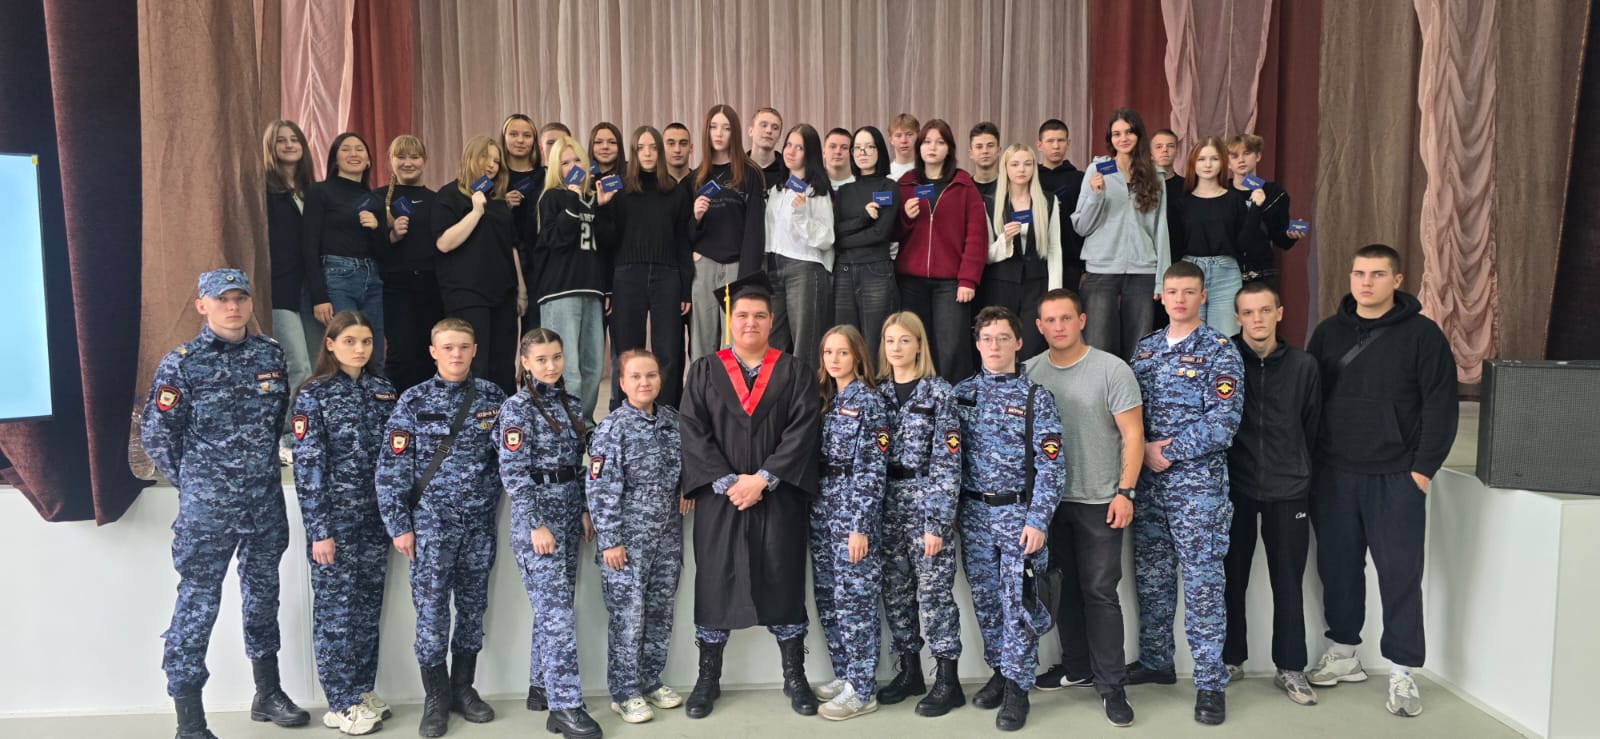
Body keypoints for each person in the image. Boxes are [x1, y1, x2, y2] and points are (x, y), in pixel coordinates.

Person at [141, 268, 310, 739]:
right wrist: (196, 483)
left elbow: (276, 422)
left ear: (250, 303)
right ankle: (190, 723)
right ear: (203, 305)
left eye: (240, 298)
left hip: (264, 502)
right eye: (222, 299)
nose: (232, 307)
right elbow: (157, 436)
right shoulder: (181, 364)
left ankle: (267, 693)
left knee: (264, 598)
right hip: (208, 512)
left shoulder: (269, 355)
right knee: (198, 605)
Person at [1304, 244, 1457, 718]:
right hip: (1335, 473)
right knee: (1338, 568)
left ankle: (1402, 670)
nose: (1365, 282)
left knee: (1400, 574)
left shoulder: (1423, 336)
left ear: (1397, 280)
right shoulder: (1327, 333)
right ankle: (1344, 651)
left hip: (1396, 476)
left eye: (1376, 274)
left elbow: (1441, 405)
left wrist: (1422, 469)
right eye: (1358, 273)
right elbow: (1311, 401)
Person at [678, 273, 822, 719]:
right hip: (721, 500)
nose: (750, 323)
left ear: (771, 320)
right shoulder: (705, 369)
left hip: (777, 497)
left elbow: (804, 429)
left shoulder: (794, 370)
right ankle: (707, 678)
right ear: (730, 319)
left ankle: (795, 676)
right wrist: (727, 481)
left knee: (783, 578)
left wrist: (763, 479)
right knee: (715, 581)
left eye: (759, 315)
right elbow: (692, 430)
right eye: (742, 315)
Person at [375, 318, 506, 737]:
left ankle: (463, 689)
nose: (456, 354)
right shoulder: (413, 401)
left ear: (474, 350)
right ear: (433, 352)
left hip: (478, 525)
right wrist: (399, 525)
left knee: (472, 608)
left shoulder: (493, 398)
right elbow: (392, 468)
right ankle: (436, 697)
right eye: (448, 347)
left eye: (463, 346)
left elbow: (507, 459)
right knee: (431, 612)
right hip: (431, 526)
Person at [1127, 261, 1243, 726]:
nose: (1179, 299)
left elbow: (1223, 422)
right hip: (1149, 486)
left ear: (1203, 297)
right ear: (1162, 296)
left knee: (1202, 583)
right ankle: (1157, 660)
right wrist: (1141, 452)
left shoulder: (1219, 350)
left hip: (1197, 489)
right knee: (1152, 576)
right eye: (1172, 291)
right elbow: (1130, 412)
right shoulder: (1146, 349)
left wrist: (1167, 452)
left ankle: (1210, 682)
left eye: (1189, 292)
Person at [1024, 288, 1140, 727]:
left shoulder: (1112, 370)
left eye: (1066, 318)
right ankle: (1076, 667)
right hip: (1050, 505)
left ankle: (1112, 686)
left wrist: (1125, 492)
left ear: (1082, 320)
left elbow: (1133, 435)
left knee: (1100, 593)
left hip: (1100, 500)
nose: (1059, 327)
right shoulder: (1028, 372)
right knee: (1062, 589)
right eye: (1050, 320)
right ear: (1039, 326)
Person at [955, 305, 1065, 732]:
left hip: (1019, 516)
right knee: (986, 601)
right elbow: (949, 461)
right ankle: (1000, 671)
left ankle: (1018, 688)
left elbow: (1052, 467)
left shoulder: (1037, 397)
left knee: (1019, 603)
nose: (994, 346)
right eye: (987, 338)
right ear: (977, 344)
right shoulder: (962, 394)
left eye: (1003, 338)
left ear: (1019, 343)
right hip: (974, 516)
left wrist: (1038, 520)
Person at [290, 311, 397, 736]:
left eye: (366, 341)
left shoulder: (383, 391)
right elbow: (308, 468)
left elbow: (394, 459)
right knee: (336, 612)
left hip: (374, 520)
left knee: (367, 609)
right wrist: (320, 531)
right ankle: (339, 703)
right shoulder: (313, 395)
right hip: (334, 522)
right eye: (349, 340)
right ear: (330, 345)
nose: (359, 348)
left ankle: (361, 690)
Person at [496, 328, 601, 739]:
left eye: (556, 357)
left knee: (555, 608)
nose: (551, 365)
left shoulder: (571, 403)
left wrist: (585, 508)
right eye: (541, 359)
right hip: (538, 521)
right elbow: (513, 473)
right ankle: (566, 706)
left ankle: (542, 686)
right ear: (525, 363)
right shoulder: (517, 408)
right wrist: (534, 523)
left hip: (568, 512)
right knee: (557, 614)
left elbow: (579, 463)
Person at [1223, 281, 1322, 706]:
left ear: (1279, 313)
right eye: (1248, 312)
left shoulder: (1304, 366)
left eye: (1265, 310)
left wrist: (1298, 469)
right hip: (1235, 488)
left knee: (1288, 582)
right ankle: (1231, 659)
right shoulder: (1224, 361)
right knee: (1231, 578)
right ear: (1237, 317)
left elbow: (1312, 425)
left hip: (1288, 489)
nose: (1257, 319)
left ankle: (1291, 667)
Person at [585, 349, 688, 725]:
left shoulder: (672, 421)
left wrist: (687, 486)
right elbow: (599, 489)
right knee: (628, 618)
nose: (645, 383)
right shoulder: (612, 429)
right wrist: (610, 540)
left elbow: (687, 463)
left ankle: (650, 681)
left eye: (651, 375)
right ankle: (625, 693)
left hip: (666, 536)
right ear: (622, 383)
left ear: (660, 379)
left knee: (660, 612)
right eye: (636, 377)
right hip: (626, 542)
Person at [873, 311, 965, 717]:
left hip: (926, 502)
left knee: (934, 594)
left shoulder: (939, 393)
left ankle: (948, 680)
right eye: (890, 340)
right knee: (895, 592)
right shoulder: (876, 393)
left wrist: (938, 523)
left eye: (905, 340)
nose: (896, 348)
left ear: (919, 345)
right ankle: (909, 671)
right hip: (887, 503)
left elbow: (948, 462)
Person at [809, 325, 889, 721]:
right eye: (828, 352)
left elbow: (872, 470)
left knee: (855, 599)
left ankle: (862, 688)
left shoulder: (869, 401)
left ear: (857, 356)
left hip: (853, 514)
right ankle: (845, 674)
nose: (834, 360)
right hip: (823, 511)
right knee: (830, 598)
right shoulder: (826, 400)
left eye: (842, 352)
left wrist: (860, 526)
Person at [603, 126, 692, 409]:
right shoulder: (620, 189)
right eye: (641, 148)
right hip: (626, 275)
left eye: (653, 147)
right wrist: (607, 288)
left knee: (669, 350)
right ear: (633, 152)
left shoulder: (675, 191)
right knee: (627, 350)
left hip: (668, 276)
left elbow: (683, 242)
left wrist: (685, 289)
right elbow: (607, 241)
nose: (648, 153)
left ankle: (667, 413)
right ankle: (626, 414)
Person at [1073, 108, 1172, 360]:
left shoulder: (1155, 175)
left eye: (1129, 132)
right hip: (1101, 269)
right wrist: (1096, 196)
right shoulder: (1097, 170)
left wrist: (1161, 279)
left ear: (1139, 135)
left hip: (1142, 271)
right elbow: (1081, 226)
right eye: (1116, 134)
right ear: (1110, 139)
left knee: (1139, 350)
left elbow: (1160, 229)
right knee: (1097, 348)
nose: (1123, 138)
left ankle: (1134, 389)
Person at [896, 119, 989, 384]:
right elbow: (892, 234)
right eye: (927, 142)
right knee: (914, 344)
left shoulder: (964, 185)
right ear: (919, 147)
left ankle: (954, 401)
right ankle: (917, 399)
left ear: (949, 148)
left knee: (952, 347)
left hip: (951, 283)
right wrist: (905, 218)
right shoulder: (905, 184)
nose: (932, 147)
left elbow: (976, 236)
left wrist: (968, 279)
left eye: (939, 142)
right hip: (910, 282)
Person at [533, 135, 616, 428]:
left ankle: (585, 423)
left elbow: (604, 246)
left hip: (592, 290)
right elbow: (555, 239)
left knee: (593, 365)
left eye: (577, 160)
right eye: (565, 162)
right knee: (566, 366)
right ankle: (565, 425)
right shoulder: (552, 197)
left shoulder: (593, 198)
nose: (572, 167)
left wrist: (600, 208)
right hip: (560, 291)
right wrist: (572, 200)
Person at [433, 136, 526, 393]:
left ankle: (503, 413)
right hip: (467, 293)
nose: (492, 165)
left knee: (503, 364)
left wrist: (521, 290)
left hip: (503, 292)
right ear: (471, 158)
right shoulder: (449, 196)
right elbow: (444, 243)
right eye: (486, 157)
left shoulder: (498, 201)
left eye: (496, 161)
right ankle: (473, 413)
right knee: (477, 362)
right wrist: (475, 212)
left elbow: (511, 247)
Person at [686, 104, 767, 362]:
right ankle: (701, 386)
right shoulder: (696, 177)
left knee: (734, 341)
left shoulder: (750, 173)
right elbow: (683, 233)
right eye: (713, 127)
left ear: (735, 132)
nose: (719, 133)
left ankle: (731, 388)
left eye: (726, 127)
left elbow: (755, 230)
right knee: (702, 341)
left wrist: (747, 277)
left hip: (736, 267)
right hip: (704, 265)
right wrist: (696, 218)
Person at [262, 119, 322, 463]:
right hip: (280, 289)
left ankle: (309, 431)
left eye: (294, 139)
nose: (288, 145)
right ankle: (289, 435)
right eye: (281, 140)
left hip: (313, 292)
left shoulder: (313, 192)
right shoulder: (264, 191)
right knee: (296, 364)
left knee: (316, 367)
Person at [303, 132, 386, 367]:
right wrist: (319, 296)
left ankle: (375, 392)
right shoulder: (320, 191)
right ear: (335, 159)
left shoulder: (373, 198)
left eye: (359, 149)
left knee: (374, 353)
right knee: (346, 350)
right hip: (337, 277)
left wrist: (377, 228)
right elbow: (309, 245)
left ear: (368, 160)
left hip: (372, 279)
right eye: (346, 149)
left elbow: (383, 250)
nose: (353, 154)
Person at [1171, 136, 1265, 338]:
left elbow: (1244, 243)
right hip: (1190, 272)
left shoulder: (1234, 200)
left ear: (1222, 162)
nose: (1207, 165)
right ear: (1193, 163)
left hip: (1226, 273)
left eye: (1214, 159)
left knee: (1224, 339)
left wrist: (1256, 209)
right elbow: (1175, 246)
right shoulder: (1181, 202)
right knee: (1190, 337)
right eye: (1202, 159)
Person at [980, 144, 1063, 360]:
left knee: (1032, 348)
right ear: (1005, 168)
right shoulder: (990, 202)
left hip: (1037, 286)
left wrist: (1054, 293)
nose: (1021, 169)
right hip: (1000, 285)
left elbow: (1054, 249)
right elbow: (986, 255)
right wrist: (1004, 241)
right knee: (999, 345)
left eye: (1027, 164)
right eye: (1015, 164)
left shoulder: (1048, 201)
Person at [763, 123, 835, 366]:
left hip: (804, 268)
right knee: (773, 343)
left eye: (799, 147)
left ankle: (807, 391)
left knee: (805, 343)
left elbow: (826, 238)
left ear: (809, 153)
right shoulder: (777, 190)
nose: (790, 151)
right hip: (774, 268)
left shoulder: (817, 191)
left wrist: (802, 215)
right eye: (788, 145)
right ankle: (778, 390)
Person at [378, 134, 445, 392]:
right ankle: (396, 407)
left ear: (424, 160)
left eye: (414, 157)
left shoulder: (437, 199)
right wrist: (391, 237)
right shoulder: (378, 198)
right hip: (395, 287)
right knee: (401, 352)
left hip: (432, 286)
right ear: (390, 161)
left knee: (430, 351)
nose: (408, 163)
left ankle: (428, 406)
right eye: (401, 157)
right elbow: (369, 247)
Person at [831, 126, 900, 364]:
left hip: (875, 270)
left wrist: (844, 239)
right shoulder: (844, 190)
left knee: (874, 340)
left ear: (879, 150)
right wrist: (863, 218)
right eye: (857, 148)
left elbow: (880, 233)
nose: (863, 152)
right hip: (844, 270)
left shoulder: (888, 187)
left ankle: (874, 386)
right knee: (844, 339)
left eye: (869, 147)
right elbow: (835, 232)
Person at [1227, 133, 1302, 287]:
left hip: (1263, 274)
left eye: (1247, 153)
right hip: (1226, 276)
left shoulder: (1275, 193)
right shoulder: (1221, 192)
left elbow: (1280, 238)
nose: (1241, 160)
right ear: (1228, 163)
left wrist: (1290, 234)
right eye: (1234, 156)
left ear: (1258, 156)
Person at [502, 114, 546, 333]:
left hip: (539, 261)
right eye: (514, 134)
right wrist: (502, 205)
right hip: (503, 260)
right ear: (504, 138)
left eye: (526, 135)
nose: (520, 140)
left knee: (536, 329)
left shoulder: (545, 175)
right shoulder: (494, 175)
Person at [1034, 119, 1079, 197]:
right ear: (1039, 145)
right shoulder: (1030, 178)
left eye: (1061, 140)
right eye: (1050, 141)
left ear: (1068, 144)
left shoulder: (1080, 178)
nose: (1056, 146)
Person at [747, 107, 787, 188]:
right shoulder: (736, 169)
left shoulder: (788, 170)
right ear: (751, 131)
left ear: (779, 137)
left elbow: (806, 193)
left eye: (775, 128)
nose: (769, 131)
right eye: (764, 125)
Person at [968, 122, 1002, 212]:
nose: (985, 151)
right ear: (970, 153)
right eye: (979, 147)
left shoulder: (1010, 187)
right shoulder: (963, 190)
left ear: (999, 150)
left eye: (990, 146)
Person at [887, 113, 920, 180]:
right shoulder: (886, 174)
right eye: (898, 136)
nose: (904, 140)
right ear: (891, 140)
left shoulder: (926, 170)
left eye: (909, 134)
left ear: (918, 136)